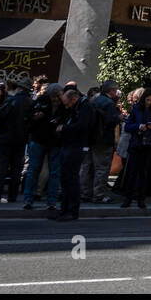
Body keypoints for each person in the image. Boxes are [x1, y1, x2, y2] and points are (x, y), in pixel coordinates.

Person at [0, 79, 31, 204]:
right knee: (17, 168)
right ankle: (12, 195)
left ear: (19, 88)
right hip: (21, 139)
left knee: (2, 166)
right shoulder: (31, 102)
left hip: (6, 137)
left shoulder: (12, 100)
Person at [54, 87, 93, 222]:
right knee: (65, 178)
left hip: (77, 146)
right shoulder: (76, 107)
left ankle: (72, 210)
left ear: (74, 99)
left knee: (71, 178)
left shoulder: (85, 107)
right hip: (69, 145)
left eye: (67, 103)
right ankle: (64, 209)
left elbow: (82, 126)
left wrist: (64, 128)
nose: (66, 107)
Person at [23, 84, 63, 211]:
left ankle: (51, 201)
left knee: (53, 172)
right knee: (34, 169)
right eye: (53, 97)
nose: (55, 99)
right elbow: (29, 117)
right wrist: (35, 118)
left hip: (54, 141)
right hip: (40, 139)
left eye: (57, 96)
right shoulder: (41, 101)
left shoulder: (63, 105)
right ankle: (29, 199)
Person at [121, 90, 151, 209]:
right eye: (147, 100)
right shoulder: (136, 109)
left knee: (143, 173)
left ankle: (140, 198)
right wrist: (138, 126)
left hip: (148, 145)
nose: (149, 102)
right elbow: (127, 126)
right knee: (132, 173)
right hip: (136, 144)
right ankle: (128, 198)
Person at [82, 81, 121, 203]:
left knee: (88, 167)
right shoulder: (109, 103)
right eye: (115, 90)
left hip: (90, 139)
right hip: (103, 140)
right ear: (111, 90)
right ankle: (99, 194)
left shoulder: (94, 100)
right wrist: (118, 118)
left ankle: (85, 192)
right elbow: (111, 121)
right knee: (102, 168)